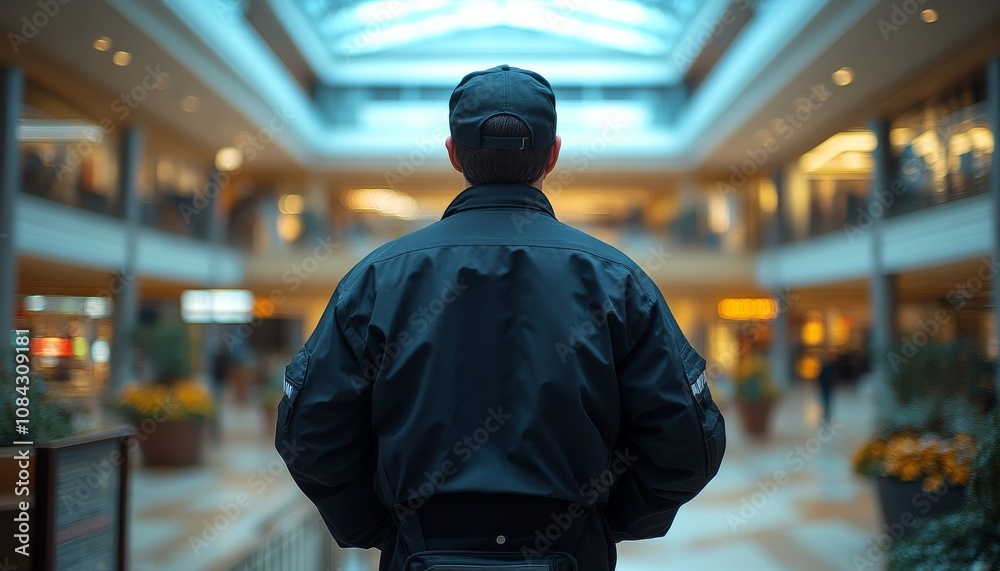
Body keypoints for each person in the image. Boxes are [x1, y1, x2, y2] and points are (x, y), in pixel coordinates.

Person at [275, 65, 726, 571]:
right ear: (554, 154)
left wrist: (384, 530)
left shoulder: (377, 281)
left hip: (421, 552)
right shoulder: (619, 283)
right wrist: (597, 527)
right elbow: (686, 445)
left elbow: (311, 435)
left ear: (452, 153)